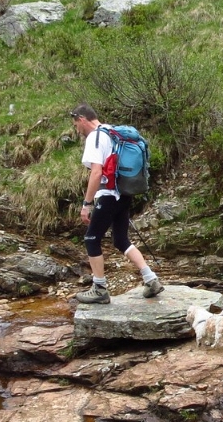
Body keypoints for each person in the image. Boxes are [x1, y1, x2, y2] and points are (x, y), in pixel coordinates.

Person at [70, 103, 163, 304]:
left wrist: (86, 204)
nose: (77, 129)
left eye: (76, 124)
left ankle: (100, 288)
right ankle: (150, 278)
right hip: (124, 192)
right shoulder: (112, 132)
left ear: (82, 119)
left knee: (91, 239)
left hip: (108, 195)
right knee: (121, 240)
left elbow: (96, 173)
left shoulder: (95, 137)